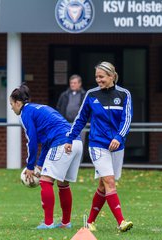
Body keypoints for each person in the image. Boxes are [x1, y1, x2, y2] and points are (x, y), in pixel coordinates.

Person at [64, 61, 133, 232]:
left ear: (112, 76)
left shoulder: (124, 94)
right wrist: (70, 138)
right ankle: (121, 222)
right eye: (96, 77)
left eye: (101, 77)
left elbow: (127, 119)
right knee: (109, 181)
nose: (98, 80)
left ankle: (90, 221)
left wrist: (119, 137)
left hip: (117, 145)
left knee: (104, 185)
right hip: (97, 144)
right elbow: (80, 119)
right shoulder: (91, 95)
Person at [10, 84, 83, 229]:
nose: (11, 108)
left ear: (18, 103)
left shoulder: (25, 114)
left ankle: (48, 223)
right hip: (76, 143)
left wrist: (30, 166)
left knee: (45, 181)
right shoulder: (39, 108)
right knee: (63, 184)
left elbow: (32, 141)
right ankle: (65, 223)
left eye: (11, 104)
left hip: (62, 142)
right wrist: (39, 164)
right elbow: (45, 142)